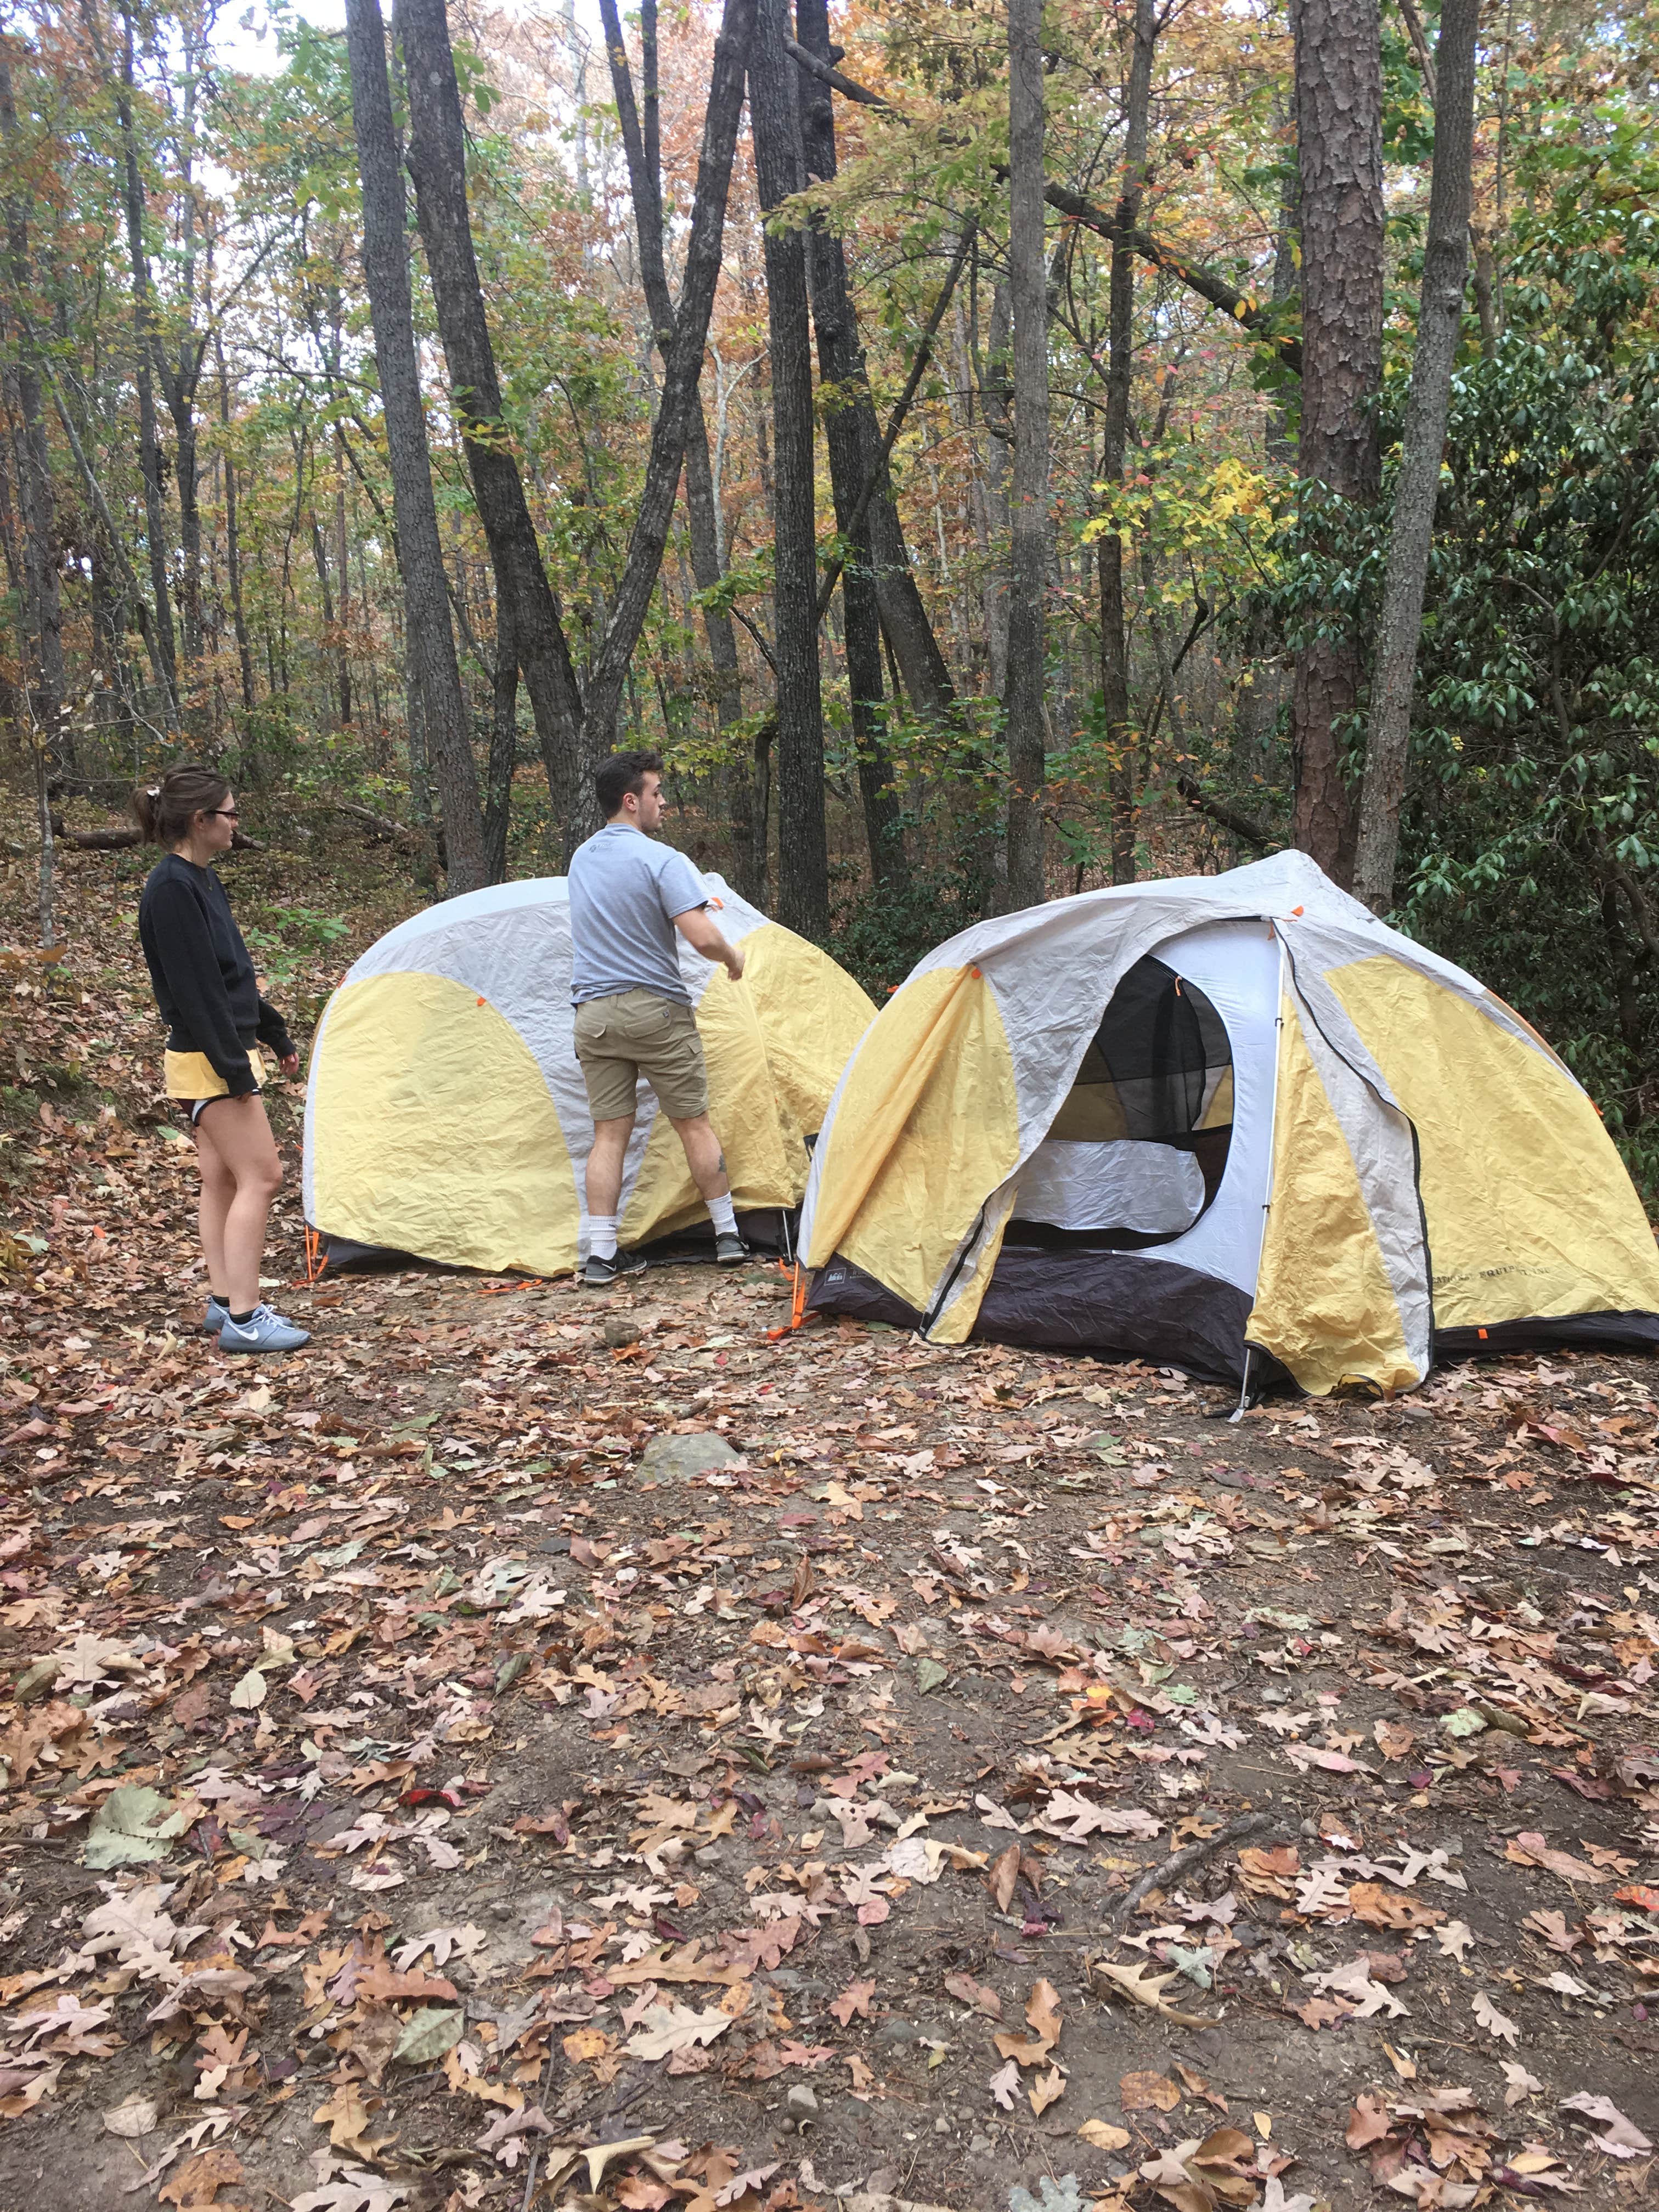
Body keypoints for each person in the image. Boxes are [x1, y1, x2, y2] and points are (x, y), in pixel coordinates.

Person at [134, 765, 311, 1352]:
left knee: (222, 1180)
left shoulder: (200, 880)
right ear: (199, 819)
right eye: (230, 814)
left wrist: (274, 1033)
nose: (238, 824)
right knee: (263, 1175)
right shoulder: (171, 890)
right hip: (209, 1058)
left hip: (218, 1051)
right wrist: (236, 1070)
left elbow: (230, 977)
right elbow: (196, 993)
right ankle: (245, 1316)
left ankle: (221, 1300)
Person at [568, 749, 749, 1286]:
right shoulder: (662, 860)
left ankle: (601, 1254)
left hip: (594, 1015)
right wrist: (734, 957)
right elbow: (701, 937)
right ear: (632, 801)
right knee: (693, 1124)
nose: (662, 801)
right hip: (655, 1010)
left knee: (607, 1135)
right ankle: (728, 1236)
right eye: (655, 792)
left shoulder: (582, 859)